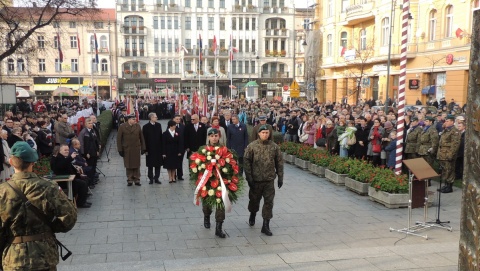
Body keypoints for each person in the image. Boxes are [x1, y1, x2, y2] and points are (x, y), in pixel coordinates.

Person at [0, 141, 77, 270]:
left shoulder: (2, 191)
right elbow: (69, 218)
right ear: (32, 163)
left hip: (14, 258)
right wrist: (52, 226)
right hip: (44, 255)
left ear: (11, 162)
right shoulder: (48, 187)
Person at [244, 125, 284, 236]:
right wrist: (249, 178)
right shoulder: (252, 146)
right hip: (256, 180)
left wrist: (280, 177)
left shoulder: (274, 147)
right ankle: (252, 214)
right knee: (254, 201)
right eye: (263, 133)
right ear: (259, 134)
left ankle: (265, 225)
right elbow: (246, 162)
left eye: (267, 133)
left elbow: (279, 163)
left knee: (269, 202)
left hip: (269, 180)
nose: (265, 134)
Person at [202, 128, 227, 238]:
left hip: (221, 181)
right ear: (208, 137)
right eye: (212, 136)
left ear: (219, 137)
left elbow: (230, 163)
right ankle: (206, 216)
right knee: (207, 204)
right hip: (207, 182)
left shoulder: (224, 149)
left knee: (220, 204)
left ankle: (219, 227)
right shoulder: (203, 150)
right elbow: (197, 165)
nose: (214, 138)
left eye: (216, 136)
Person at [117, 114, 146, 186]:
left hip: (136, 148)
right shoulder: (122, 126)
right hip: (127, 148)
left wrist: (143, 148)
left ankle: (137, 179)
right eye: (133, 119)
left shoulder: (138, 126)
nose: (135, 120)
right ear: (129, 120)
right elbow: (119, 139)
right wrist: (120, 149)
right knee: (128, 164)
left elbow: (141, 138)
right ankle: (129, 179)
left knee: (136, 164)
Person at [436, 115, 461, 193]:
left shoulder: (455, 131)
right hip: (443, 154)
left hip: (448, 154)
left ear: (452, 122)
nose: (445, 122)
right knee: (444, 170)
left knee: (449, 170)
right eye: (445, 121)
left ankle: (449, 187)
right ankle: (446, 185)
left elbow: (455, 145)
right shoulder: (446, 130)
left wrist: (451, 155)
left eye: (447, 121)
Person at [142, 113, 163, 184]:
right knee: (150, 165)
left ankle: (156, 178)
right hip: (150, 149)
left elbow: (160, 136)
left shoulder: (158, 125)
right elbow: (144, 139)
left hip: (158, 148)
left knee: (158, 164)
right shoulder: (145, 127)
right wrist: (145, 150)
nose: (156, 118)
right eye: (155, 117)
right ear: (151, 118)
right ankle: (151, 178)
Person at [173, 115, 186, 181]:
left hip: (182, 147)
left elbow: (185, 137)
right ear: (174, 119)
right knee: (174, 161)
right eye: (176, 119)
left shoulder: (183, 126)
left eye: (179, 119)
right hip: (174, 147)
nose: (178, 120)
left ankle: (180, 175)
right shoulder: (171, 126)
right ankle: (173, 175)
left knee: (180, 161)